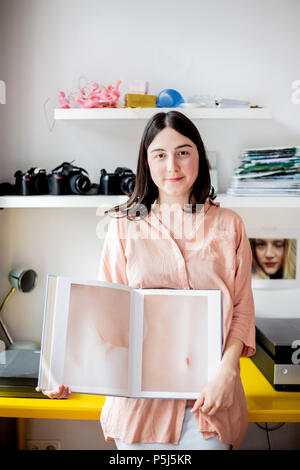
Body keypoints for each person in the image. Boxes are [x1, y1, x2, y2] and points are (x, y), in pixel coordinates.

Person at [36, 110, 255, 451]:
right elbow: (105, 313)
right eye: (160, 155)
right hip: (138, 408)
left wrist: (228, 373)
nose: (173, 166)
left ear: (199, 155)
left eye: (183, 152)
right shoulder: (124, 227)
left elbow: (240, 310)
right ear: (147, 163)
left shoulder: (230, 225)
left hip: (208, 405)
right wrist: (68, 370)